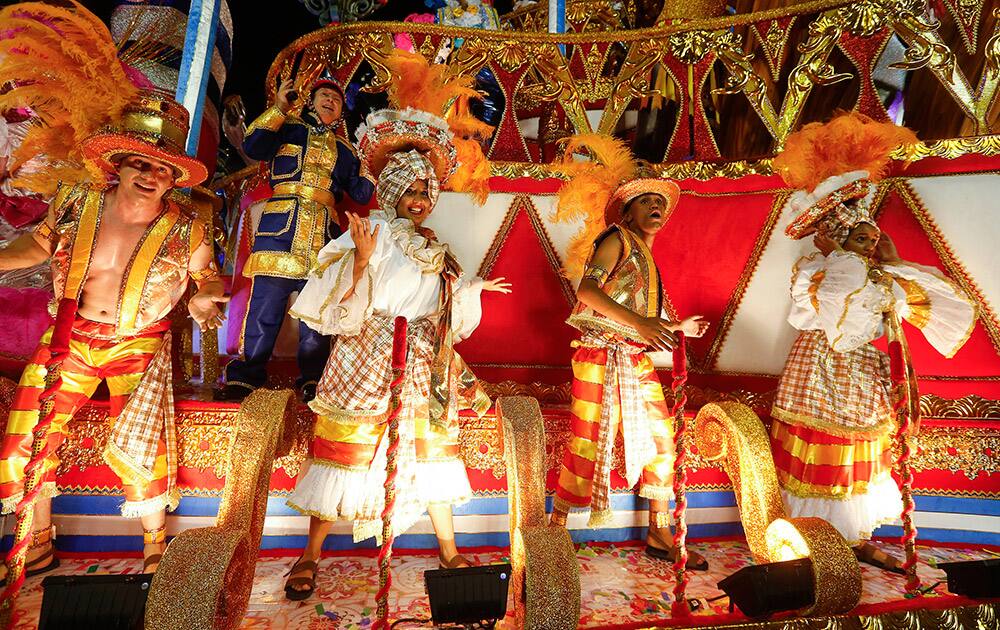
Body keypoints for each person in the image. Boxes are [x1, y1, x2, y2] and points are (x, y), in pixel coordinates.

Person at [281, 107, 510, 600]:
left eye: (427, 192)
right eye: (411, 190)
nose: (421, 200)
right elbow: (332, 295)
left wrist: (471, 291)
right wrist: (361, 260)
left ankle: (448, 549)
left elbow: (442, 311)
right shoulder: (373, 233)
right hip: (369, 349)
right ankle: (309, 554)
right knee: (348, 446)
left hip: (424, 357)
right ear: (390, 192)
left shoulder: (437, 246)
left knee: (433, 448)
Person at [0, 90, 226, 578]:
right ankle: (37, 540)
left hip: (138, 343)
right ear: (119, 166)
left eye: (162, 170)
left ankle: (153, 545)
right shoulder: (77, 201)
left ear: (172, 181)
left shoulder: (188, 229)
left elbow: (208, 280)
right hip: (70, 335)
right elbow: (35, 248)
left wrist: (206, 298)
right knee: (28, 435)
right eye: (140, 165)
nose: (149, 176)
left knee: (144, 445)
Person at [769, 113, 976, 572]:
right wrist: (839, 256)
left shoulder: (878, 273)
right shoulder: (821, 271)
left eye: (873, 236)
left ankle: (853, 538)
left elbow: (932, 302)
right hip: (822, 366)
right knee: (822, 449)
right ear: (842, 237)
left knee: (859, 454)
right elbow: (828, 310)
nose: (870, 242)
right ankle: (813, 540)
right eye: (861, 235)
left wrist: (894, 259)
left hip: (862, 369)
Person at [550, 174, 710, 570]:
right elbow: (587, 292)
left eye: (660, 201)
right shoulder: (616, 238)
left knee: (662, 441)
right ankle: (556, 533)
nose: (656, 207)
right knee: (589, 441)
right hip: (599, 355)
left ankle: (659, 531)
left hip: (632, 356)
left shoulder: (644, 253)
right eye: (645, 201)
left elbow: (636, 318)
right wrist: (642, 325)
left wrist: (676, 328)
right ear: (627, 211)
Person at [217, 69, 374, 402]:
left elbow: (359, 194)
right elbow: (253, 145)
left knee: (316, 318)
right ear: (310, 103)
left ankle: (314, 379)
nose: (330, 101)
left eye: (335, 99)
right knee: (264, 309)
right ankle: (246, 376)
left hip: (323, 237)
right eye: (323, 96)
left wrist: (369, 164)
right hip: (280, 231)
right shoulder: (286, 128)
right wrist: (278, 108)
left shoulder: (345, 151)